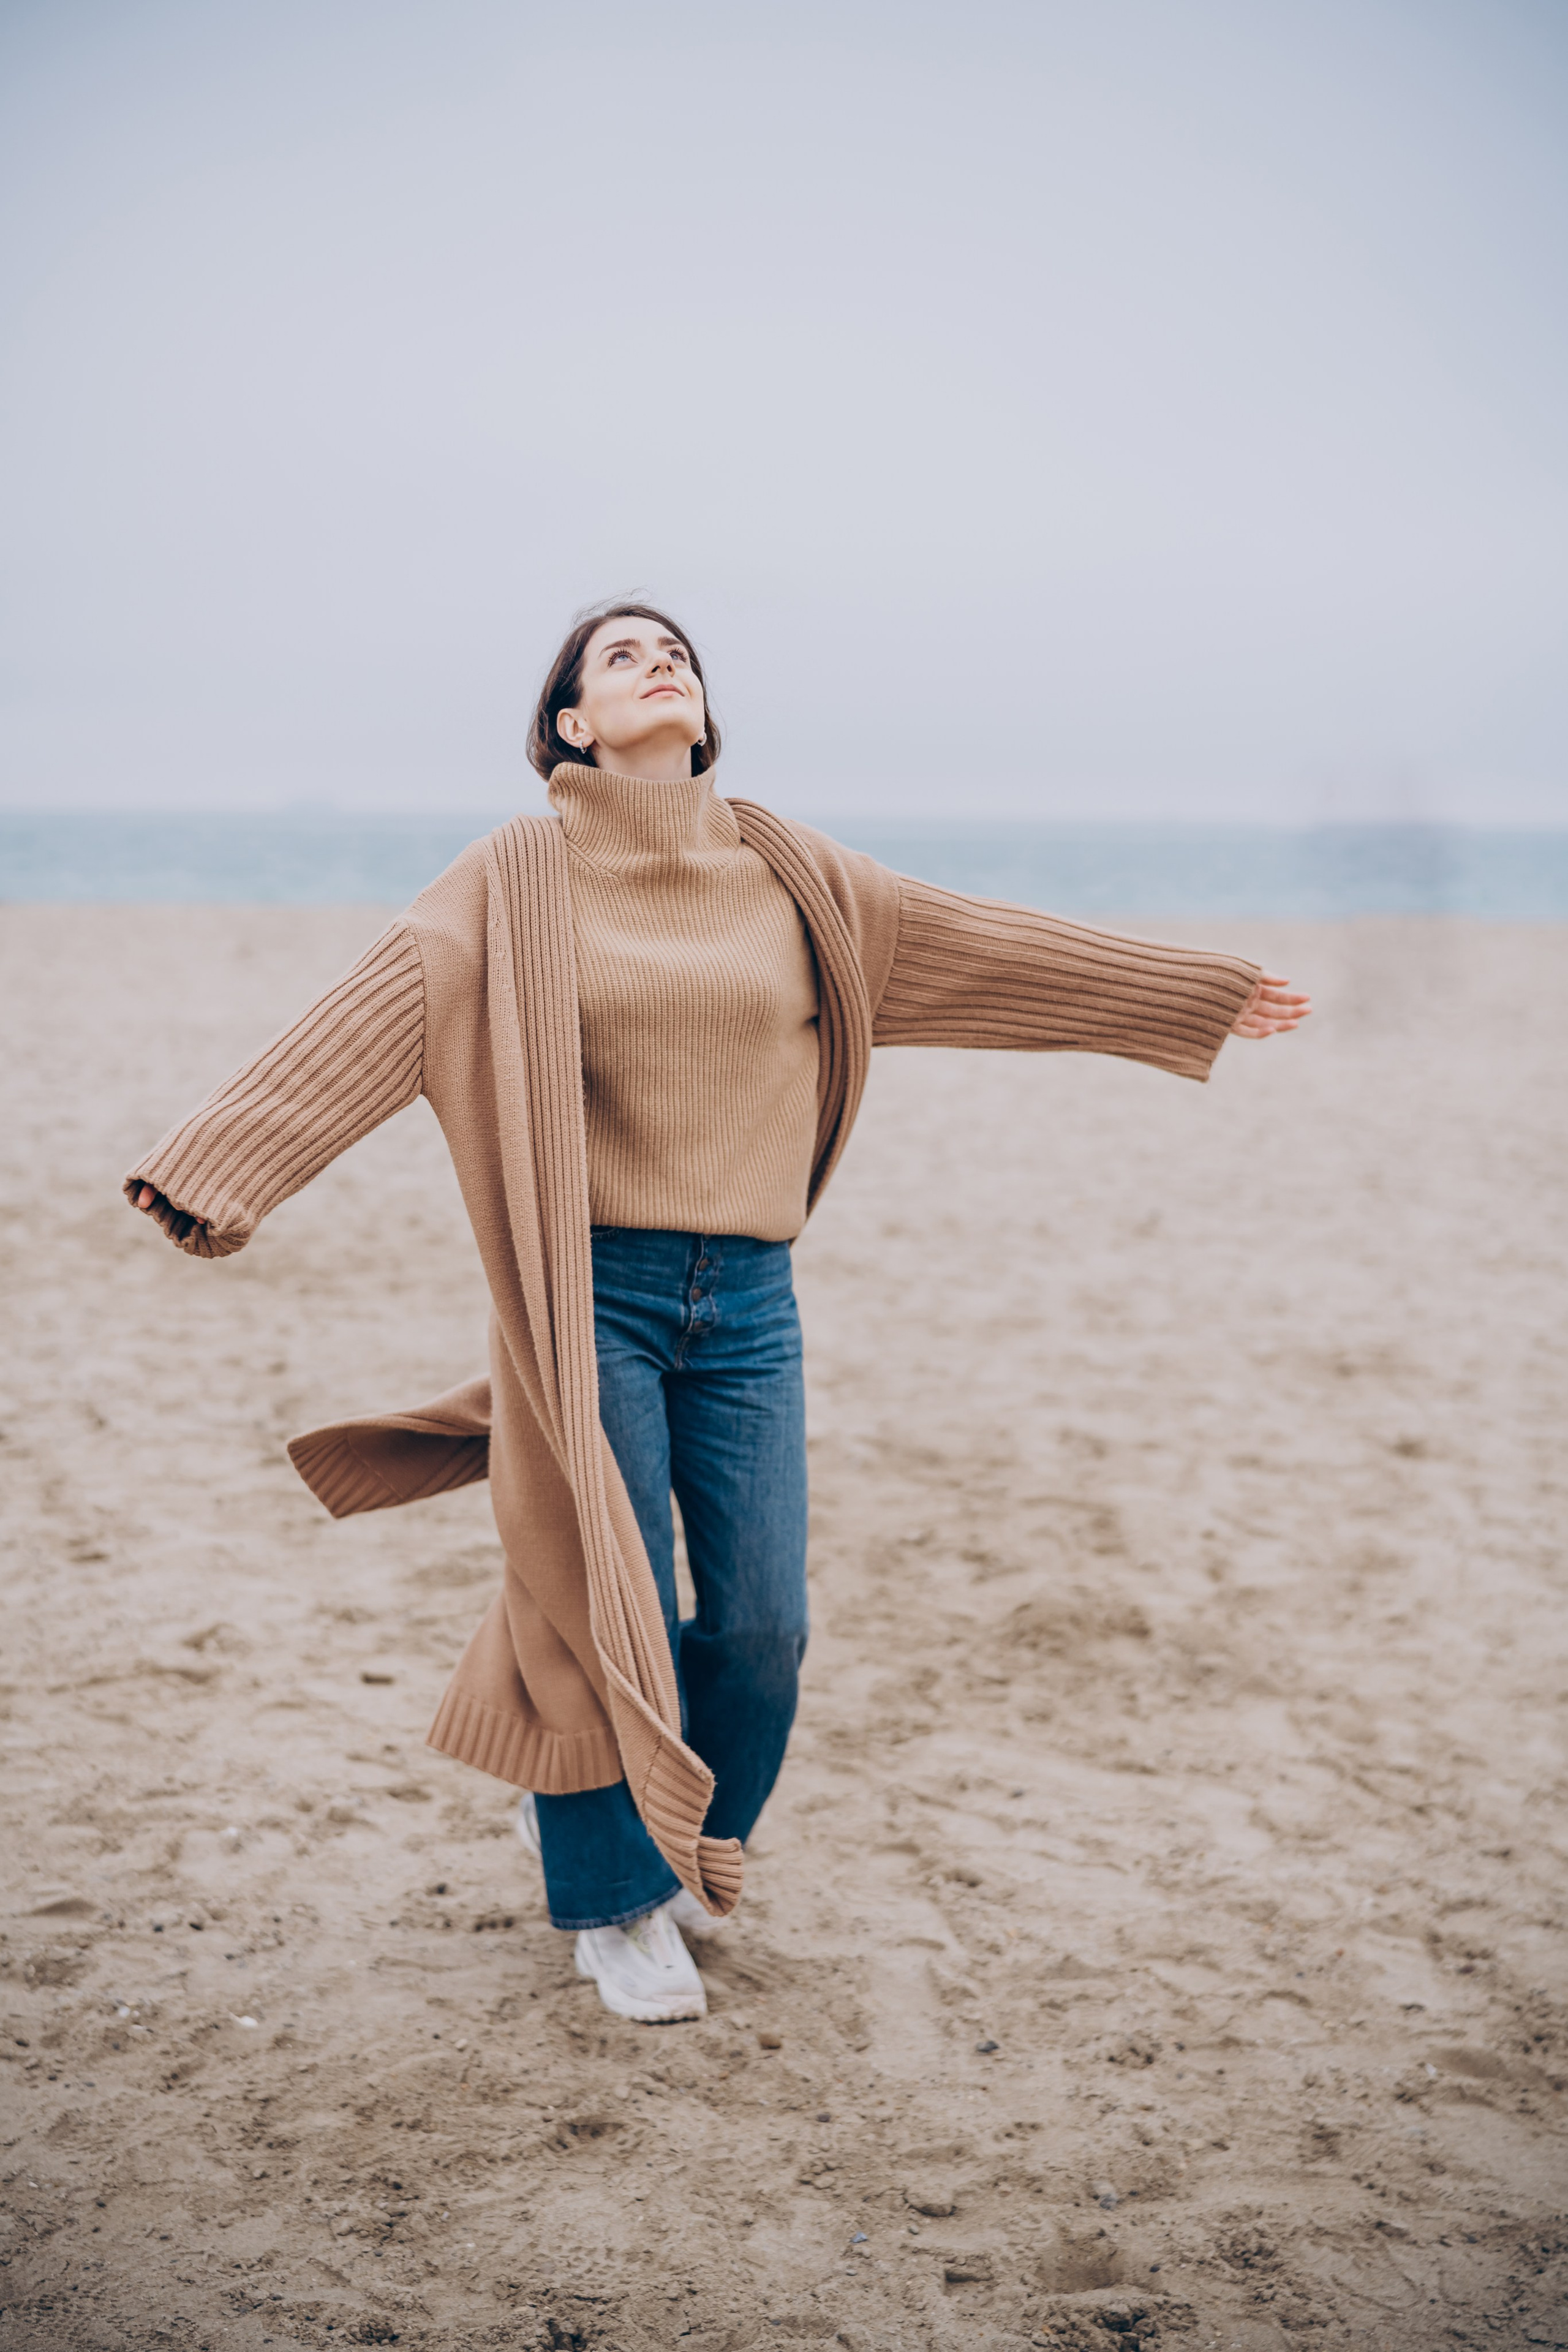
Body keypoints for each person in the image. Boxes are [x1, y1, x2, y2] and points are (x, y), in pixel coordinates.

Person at [127, 600, 1309, 2024]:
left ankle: (685, 1837)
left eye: (672, 648)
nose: (657, 662)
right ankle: (614, 1905)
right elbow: (374, 1016)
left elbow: (977, 949)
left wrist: (1189, 993)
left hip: (748, 1300)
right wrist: (213, 1170)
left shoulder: (788, 870)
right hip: (592, 1300)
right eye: (618, 656)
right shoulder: (511, 879)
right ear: (570, 721)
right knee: (593, 1603)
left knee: (757, 1627)